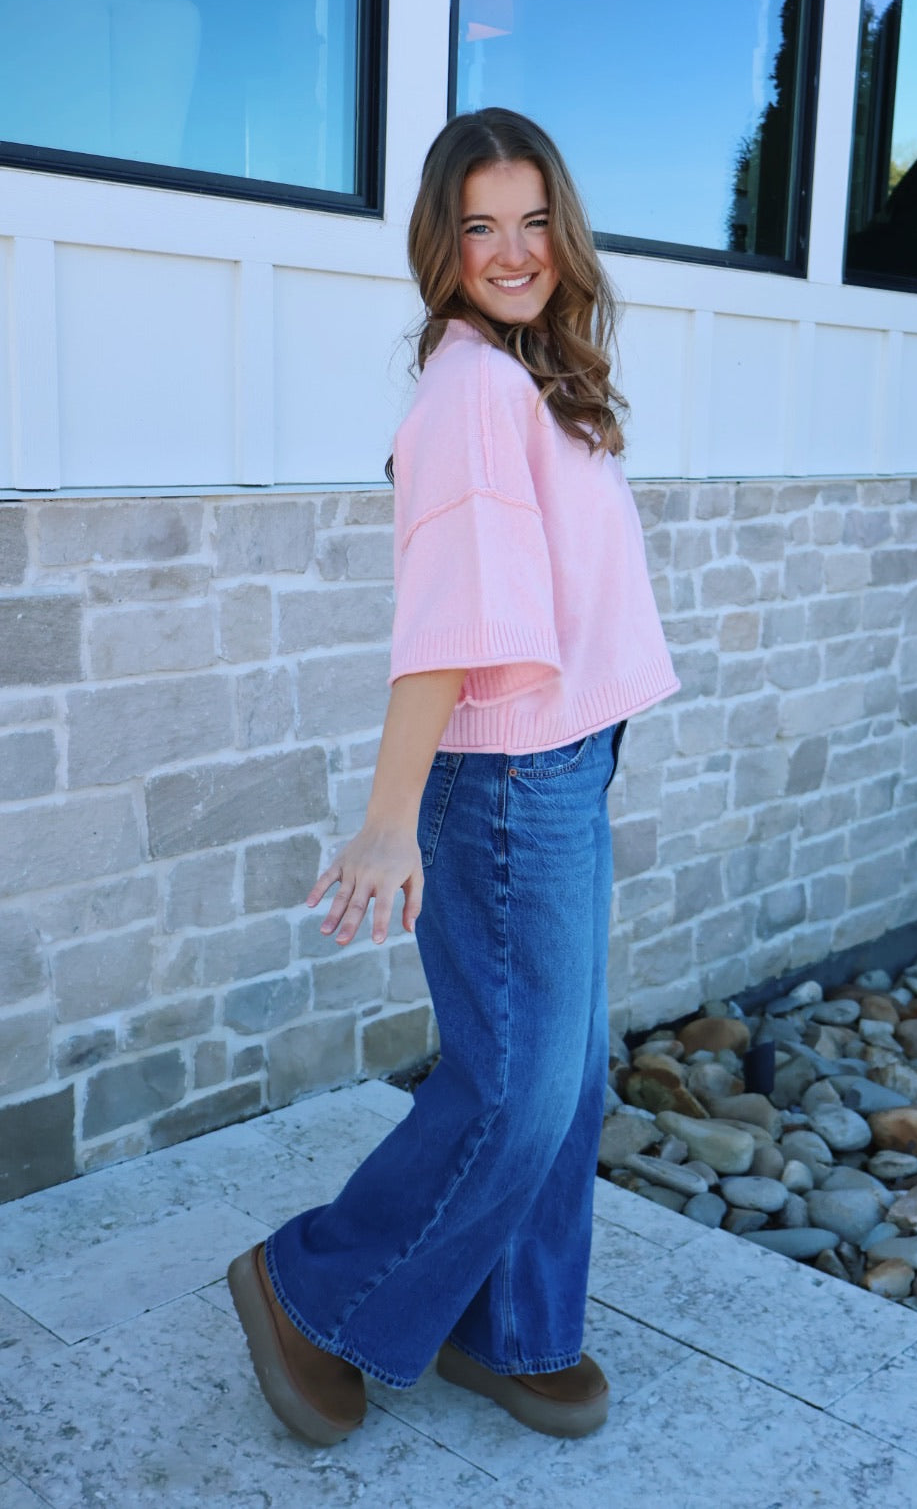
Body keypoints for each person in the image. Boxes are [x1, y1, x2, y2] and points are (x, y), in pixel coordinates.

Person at [227, 108, 678, 1446]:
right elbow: (450, 624)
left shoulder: (532, 371)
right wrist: (388, 822)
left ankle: (512, 1326)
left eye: (534, 221)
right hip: (506, 780)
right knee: (515, 1085)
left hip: (566, 756)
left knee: (566, 1076)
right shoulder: (474, 390)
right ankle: (313, 1290)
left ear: (564, 231)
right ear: (444, 243)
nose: (513, 250)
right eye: (481, 226)